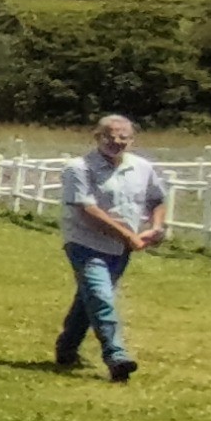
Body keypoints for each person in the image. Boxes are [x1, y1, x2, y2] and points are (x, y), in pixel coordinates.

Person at [56, 113, 169, 384]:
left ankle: (66, 349)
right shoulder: (79, 168)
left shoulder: (142, 167)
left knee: (90, 300)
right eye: (109, 135)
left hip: (120, 249)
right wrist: (128, 235)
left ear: (132, 139)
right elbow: (87, 209)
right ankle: (116, 356)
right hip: (85, 243)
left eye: (123, 136)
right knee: (101, 298)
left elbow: (157, 198)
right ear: (97, 137)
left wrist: (156, 227)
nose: (116, 141)